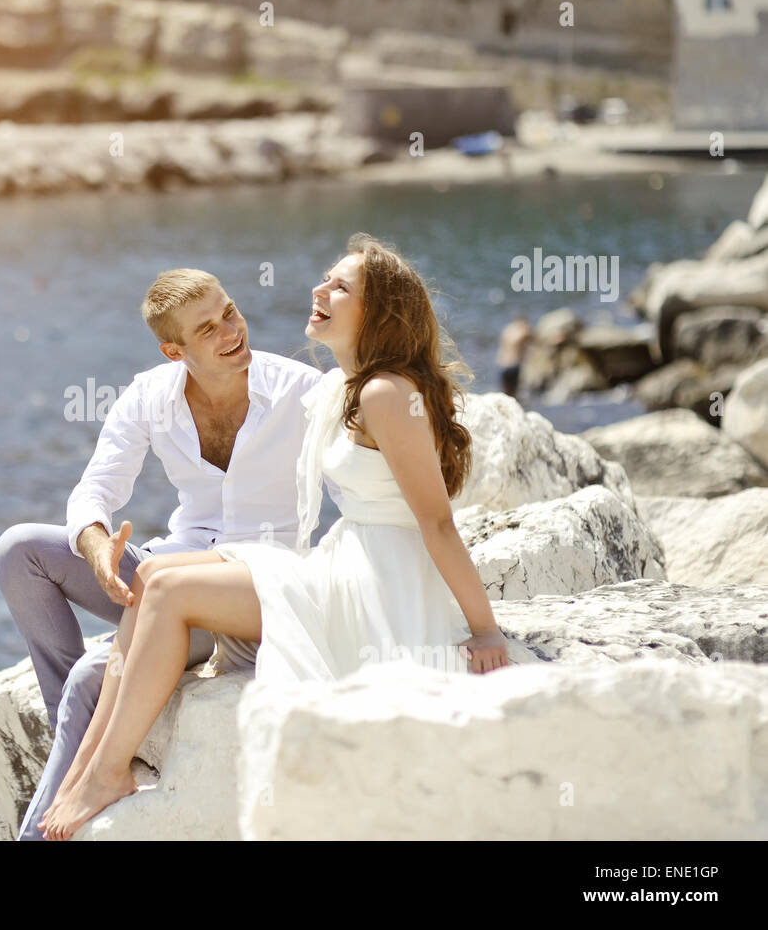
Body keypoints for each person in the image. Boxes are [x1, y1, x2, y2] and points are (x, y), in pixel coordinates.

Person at [39, 233, 511, 840]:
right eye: (327, 277)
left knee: (168, 591)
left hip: (374, 588)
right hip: (344, 561)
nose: (319, 289)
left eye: (341, 286)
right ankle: (90, 773)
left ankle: (102, 773)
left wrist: (485, 627)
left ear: (377, 314)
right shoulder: (347, 387)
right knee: (154, 573)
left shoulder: (384, 393)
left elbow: (437, 522)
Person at [0, 268, 322, 840]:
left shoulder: (299, 389)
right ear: (175, 350)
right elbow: (94, 490)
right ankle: (81, 734)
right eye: (207, 328)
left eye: (230, 312)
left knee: (94, 676)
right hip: (166, 569)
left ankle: (60, 790)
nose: (231, 331)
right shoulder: (151, 394)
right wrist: (98, 552)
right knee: (17, 550)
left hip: (240, 590)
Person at [496, 315, 533, 397]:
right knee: (514, 393)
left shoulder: (507, 330)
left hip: (502, 364)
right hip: (513, 365)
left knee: (505, 391)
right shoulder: (523, 332)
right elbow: (537, 339)